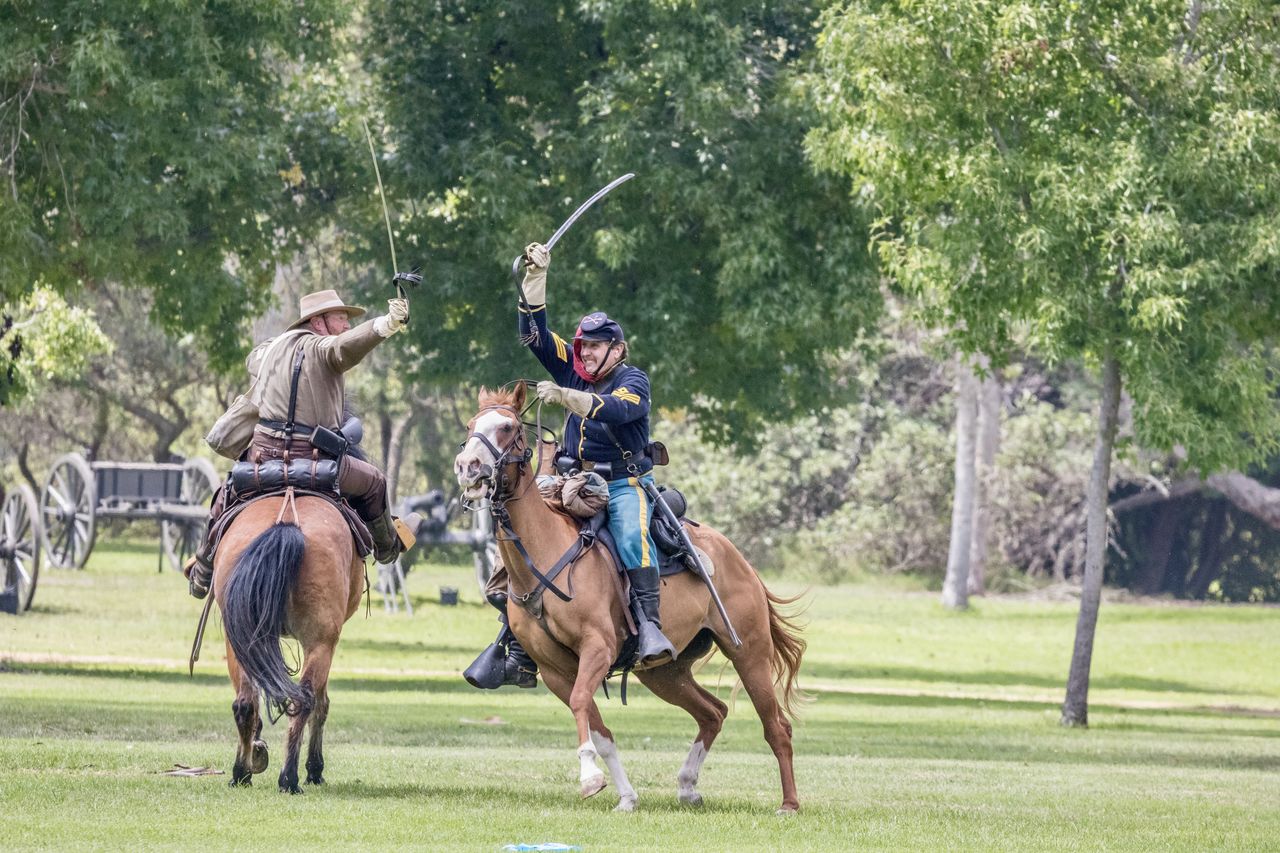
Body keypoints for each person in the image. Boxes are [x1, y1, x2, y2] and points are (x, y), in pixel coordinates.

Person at [465, 242, 675, 689]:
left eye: (598, 347)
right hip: (568, 480)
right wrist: (535, 277)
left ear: (618, 349)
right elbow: (534, 334)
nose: (589, 353)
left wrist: (568, 396)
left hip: (623, 483)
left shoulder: (633, 379)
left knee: (633, 535)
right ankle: (515, 643)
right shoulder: (574, 368)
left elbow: (615, 410)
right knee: (521, 533)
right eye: (584, 346)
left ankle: (651, 625)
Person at [184, 288, 410, 599]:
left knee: (225, 495)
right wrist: (386, 324)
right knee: (374, 482)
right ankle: (387, 549)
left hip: (262, 461)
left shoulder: (267, 351)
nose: (346, 325)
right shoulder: (323, 349)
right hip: (318, 462)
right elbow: (345, 347)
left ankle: (203, 569)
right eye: (341, 318)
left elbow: (254, 359)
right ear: (318, 322)